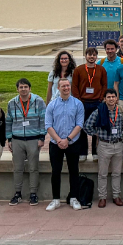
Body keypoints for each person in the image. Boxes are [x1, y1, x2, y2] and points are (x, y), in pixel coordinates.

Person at [83, 88, 123, 208]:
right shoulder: (99, 111)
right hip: (104, 145)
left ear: (116, 98)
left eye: (113, 97)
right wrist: (96, 133)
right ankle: (102, 197)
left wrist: (121, 134)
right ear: (104, 99)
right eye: (108, 97)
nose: (111, 99)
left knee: (117, 173)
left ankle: (116, 196)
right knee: (102, 173)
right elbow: (87, 126)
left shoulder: (122, 111)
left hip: (118, 145)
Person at [44, 79, 84, 211]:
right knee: (56, 171)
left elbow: (79, 124)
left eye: (68, 85)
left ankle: (74, 198)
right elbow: (48, 125)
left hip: (72, 142)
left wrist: (67, 139)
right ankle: (55, 199)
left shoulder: (78, 104)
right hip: (56, 143)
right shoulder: (52, 105)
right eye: (63, 86)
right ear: (58, 88)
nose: (66, 88)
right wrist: (59, 140)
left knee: (74, 171)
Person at [6, 78, 46, 206]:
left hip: (33, 139)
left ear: (30, 88)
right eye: (21, 87)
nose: (23, 89)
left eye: (25, 87)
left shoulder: (38, 101)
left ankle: (33, 193)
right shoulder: (11, 103)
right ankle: (17, 193)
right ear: (17, 89)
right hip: (17, 139)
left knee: (33, 168)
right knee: (17, 168)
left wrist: (42, 137)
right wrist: (9, 138)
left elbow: (43, 120)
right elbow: (8, 121)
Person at [72, 47, 108, 161]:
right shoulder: (79, 70)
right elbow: (75, 86)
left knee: (96, 127)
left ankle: (95, 152)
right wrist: (78, 100)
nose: (91, 57)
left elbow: (104, 85)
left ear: (96, 56)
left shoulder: (101, 69)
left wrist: (101, 98)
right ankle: (83, 152)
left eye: (93, 55)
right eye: (89, 55)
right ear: (85, 56)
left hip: (96, 102)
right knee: (81, 127)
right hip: (82, 102)